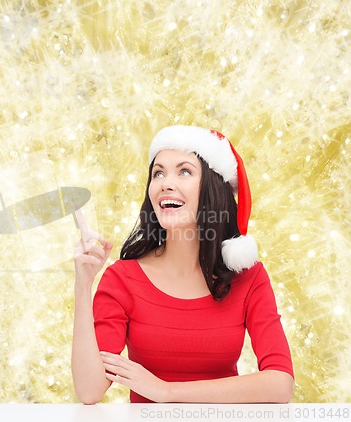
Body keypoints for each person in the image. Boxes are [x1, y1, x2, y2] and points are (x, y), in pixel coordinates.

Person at [71, 125, 294, 404]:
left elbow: (280, 384)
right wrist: (83, 284)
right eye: (158, 173)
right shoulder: (122, 279)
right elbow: (90, 390)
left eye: (184, 171)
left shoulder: (248, 278)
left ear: (212, 188)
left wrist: (167, 391)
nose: (165, 182)